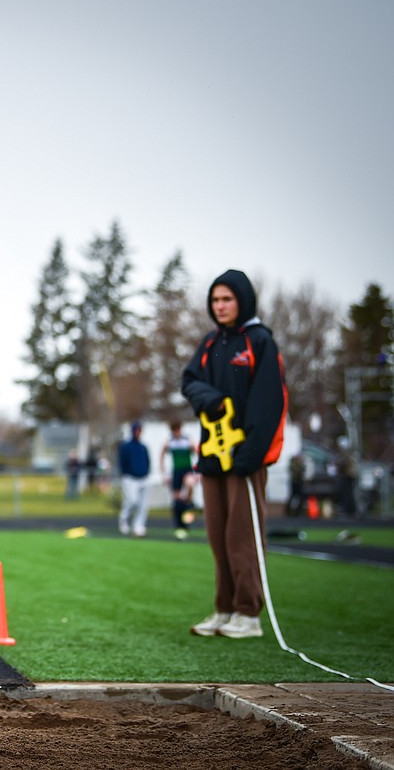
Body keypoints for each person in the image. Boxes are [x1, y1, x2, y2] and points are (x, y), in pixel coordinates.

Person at [183, 269, 287, 640]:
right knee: (217, 535)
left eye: (227, 299)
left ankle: (248, 613)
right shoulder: (212, 343)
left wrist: (253, 453)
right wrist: (209, 399)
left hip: (245, 460)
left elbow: (270, 403)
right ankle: (224, 608)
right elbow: (189, 380)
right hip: (213, 456)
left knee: (240, 536)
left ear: (242, 300)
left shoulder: (258, 341)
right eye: (215, 300)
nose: (220, 306)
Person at [160, 420, 198, 539]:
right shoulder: (170, 442)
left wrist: (198, 473)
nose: (176, 432)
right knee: (177, 500)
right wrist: (164, 474)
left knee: (189, 489)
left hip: (187, 470)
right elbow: (161, 456)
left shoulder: (187, 440)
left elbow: (197, 452)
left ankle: (188, 517)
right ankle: (179, 526)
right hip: (176, 471)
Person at [117, 421, 151, 537]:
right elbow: (122, 462)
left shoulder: (143, 447)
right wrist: (125, 474)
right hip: (130, 478)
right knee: (132, 501)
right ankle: (124, 519)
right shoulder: (126, 447)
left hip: (143, 478)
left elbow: (147, 461)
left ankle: (138, 526)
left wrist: (146, 472)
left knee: (143, 504)